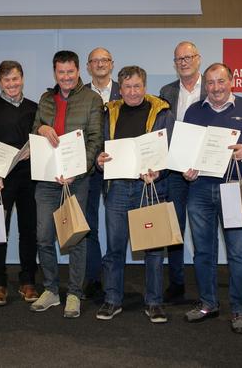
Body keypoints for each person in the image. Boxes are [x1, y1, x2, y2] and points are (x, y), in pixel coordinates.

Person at [182, 62, 242, 334]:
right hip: (199, 190)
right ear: (205, 85)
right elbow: (186, 150)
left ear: (231, 81)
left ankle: (241, 309)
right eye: (210, 83)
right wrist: (187, 167)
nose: (216, 88)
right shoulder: (193, 111)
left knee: (238, 253)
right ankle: (208, 303)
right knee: (203, 252)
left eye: (221, 81)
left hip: (234, 187)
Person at [95, 66, 175, 323]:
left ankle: (154, 302)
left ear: (145, 85)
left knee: (153, 248)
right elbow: (100, 147)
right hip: (117, 187)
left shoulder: (162, 111)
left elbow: (170, 151)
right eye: (127, 87)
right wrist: (100, 160)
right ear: (120, 88)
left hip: (149, 187)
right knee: (115, 248)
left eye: (137, 86)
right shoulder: (109, 112)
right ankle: (112, 300)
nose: (132, 92)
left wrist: (158, 173)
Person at [29, 50, 103, 318]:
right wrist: (41, 129)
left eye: (70, 72)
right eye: (61, 72)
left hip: (77, 180)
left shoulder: (92, 99)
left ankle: (74, 293)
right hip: (47, 179)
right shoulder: (45, 99)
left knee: (76, 238)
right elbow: (36, 126)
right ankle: (50, 290)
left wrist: (75, 170)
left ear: (78, 71)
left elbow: (96, 140)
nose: (66, 77)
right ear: (54, 73)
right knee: (44, 237)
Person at [0, 60, 39, 306]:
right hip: (0, 179)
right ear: (0, 82)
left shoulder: (35, 107)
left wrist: (34, 150)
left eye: (15, 79)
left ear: (22, 78)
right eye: (7, 80)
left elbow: (41, 140)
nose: (12, 84)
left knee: (29, 230)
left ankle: (28, 281)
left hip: (29, 177)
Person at [158, 41, 206, 304]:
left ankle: (204, 285)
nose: (184, 62)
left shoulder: (210, 88)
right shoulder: (166, 91)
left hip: (203, 171)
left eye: (188, 57)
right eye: (179, 59)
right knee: (174, 230)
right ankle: (176, 283)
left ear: (198, 59)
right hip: (174, 171)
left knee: (202, 230)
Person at [83, 47, 121, 299]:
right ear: (88, 66)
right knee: (89, 225)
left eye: (104, 60)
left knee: (118, 226)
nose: (100, 64)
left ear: (112, 64)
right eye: (95, 61)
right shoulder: (80, 95)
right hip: (88, 168)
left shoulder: (126, 90)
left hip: (119, 166)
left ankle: (115, 278)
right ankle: (93, 277)